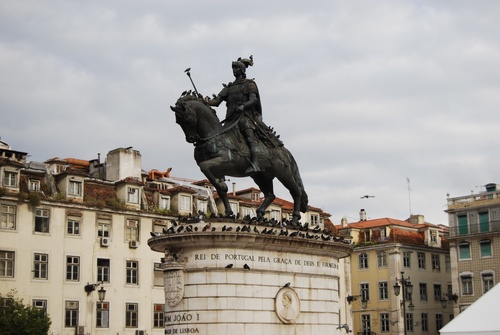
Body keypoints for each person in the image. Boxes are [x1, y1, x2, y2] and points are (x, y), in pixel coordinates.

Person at [207, 56, 263, 172]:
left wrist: (243, 106)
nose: (234, 70)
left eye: (236, 68)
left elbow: (253, 100)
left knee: (249, 136)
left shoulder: (249, 84)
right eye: (233, 68)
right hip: (231, 119)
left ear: (242, 70)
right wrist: (205, 101)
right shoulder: (229, 87)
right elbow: (217, 101)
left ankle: (256, 163)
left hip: (244, 117)